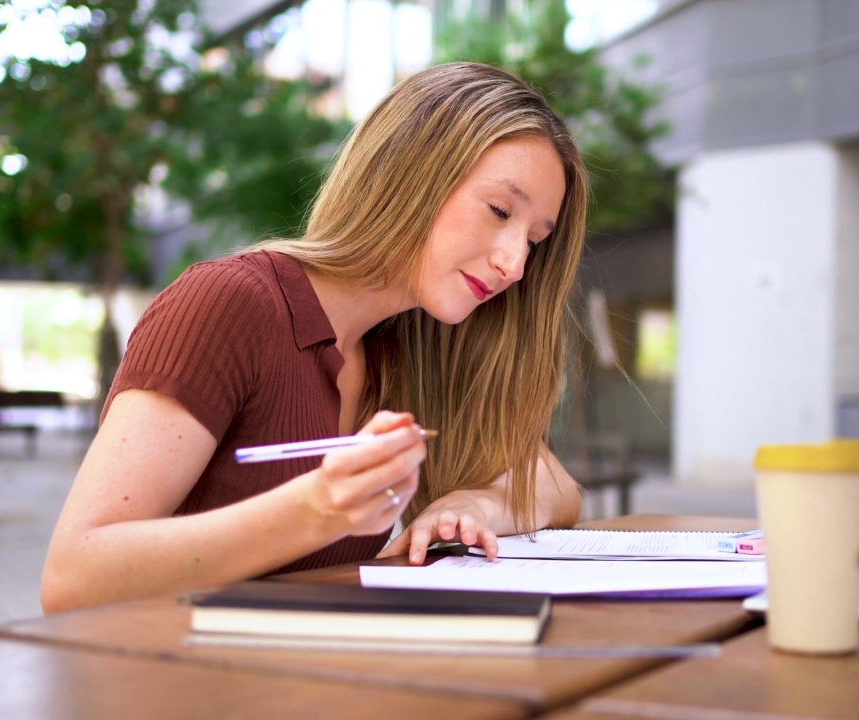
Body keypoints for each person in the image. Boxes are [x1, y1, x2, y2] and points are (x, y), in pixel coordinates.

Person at [41, 61, 589, 613]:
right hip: (177, 686)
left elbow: (556, 487)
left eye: (535, 240)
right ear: (409, 172)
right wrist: (314, 511)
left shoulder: (408, 346)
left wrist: (478, 505)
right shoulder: (229, 304)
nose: (515, 264)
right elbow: (72, 577)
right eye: (499, 210)